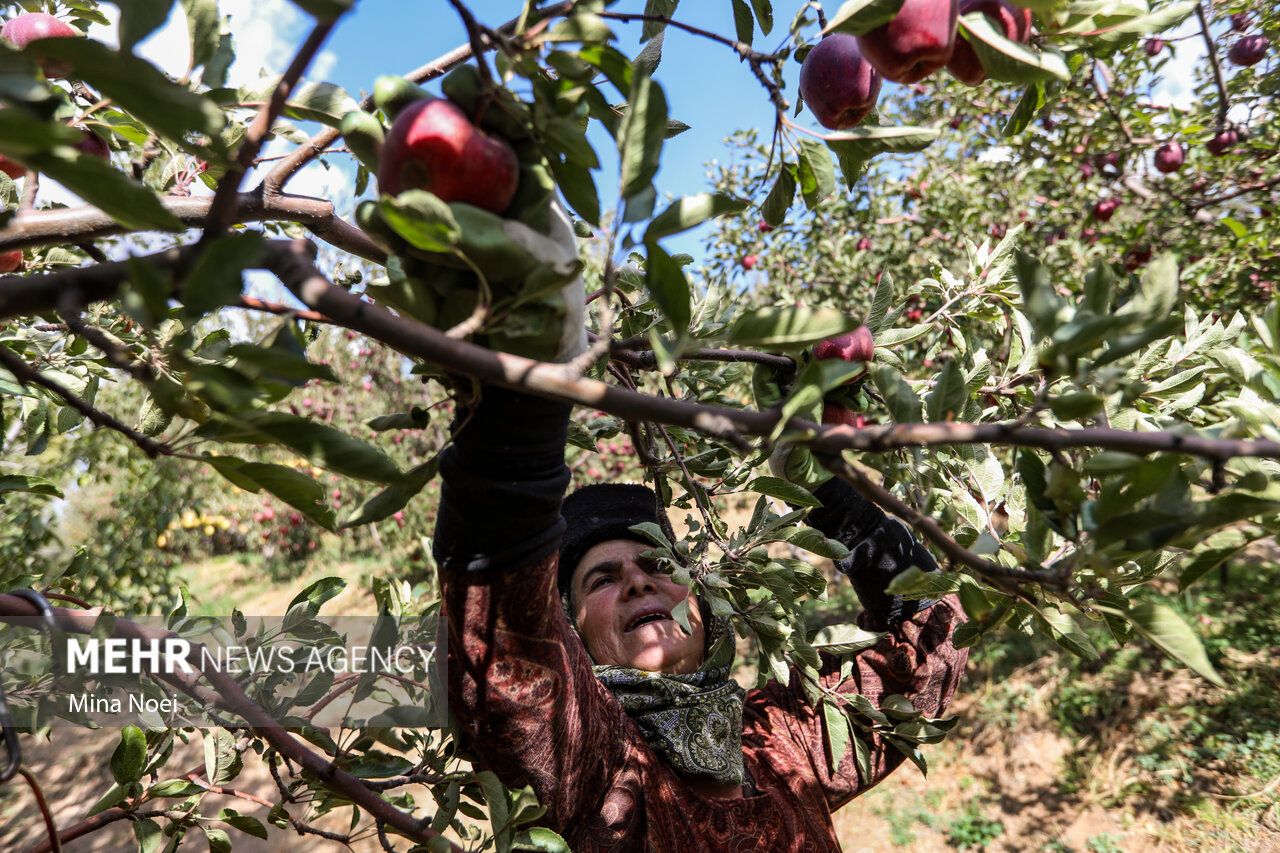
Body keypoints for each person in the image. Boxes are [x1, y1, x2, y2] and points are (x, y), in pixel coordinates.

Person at [431, 204, 969, 850]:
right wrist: (525, 385)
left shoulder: (780, 737)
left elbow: (930, 648)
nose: (636, 581)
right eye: (601, 577)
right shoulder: (595, 765)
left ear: (707, 605)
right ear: (573, 637)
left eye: (658, 563)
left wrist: (829, 494)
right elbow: (502, 652)